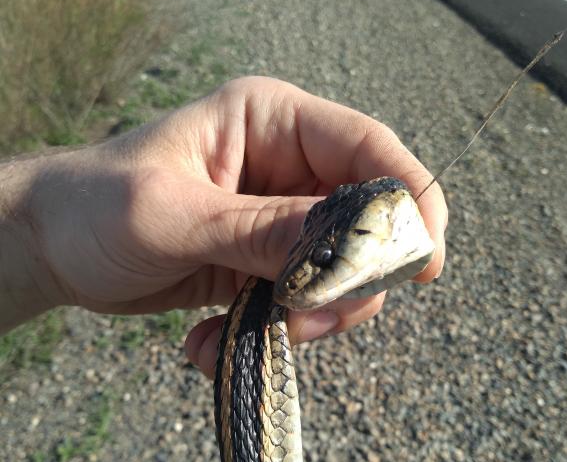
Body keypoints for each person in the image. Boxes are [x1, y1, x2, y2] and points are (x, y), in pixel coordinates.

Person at [0, 77, 447, 379]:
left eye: (325, 259)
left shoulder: (395, 210)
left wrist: (41, 247)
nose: (293, 287)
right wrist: (41, 242)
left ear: (386, 218)